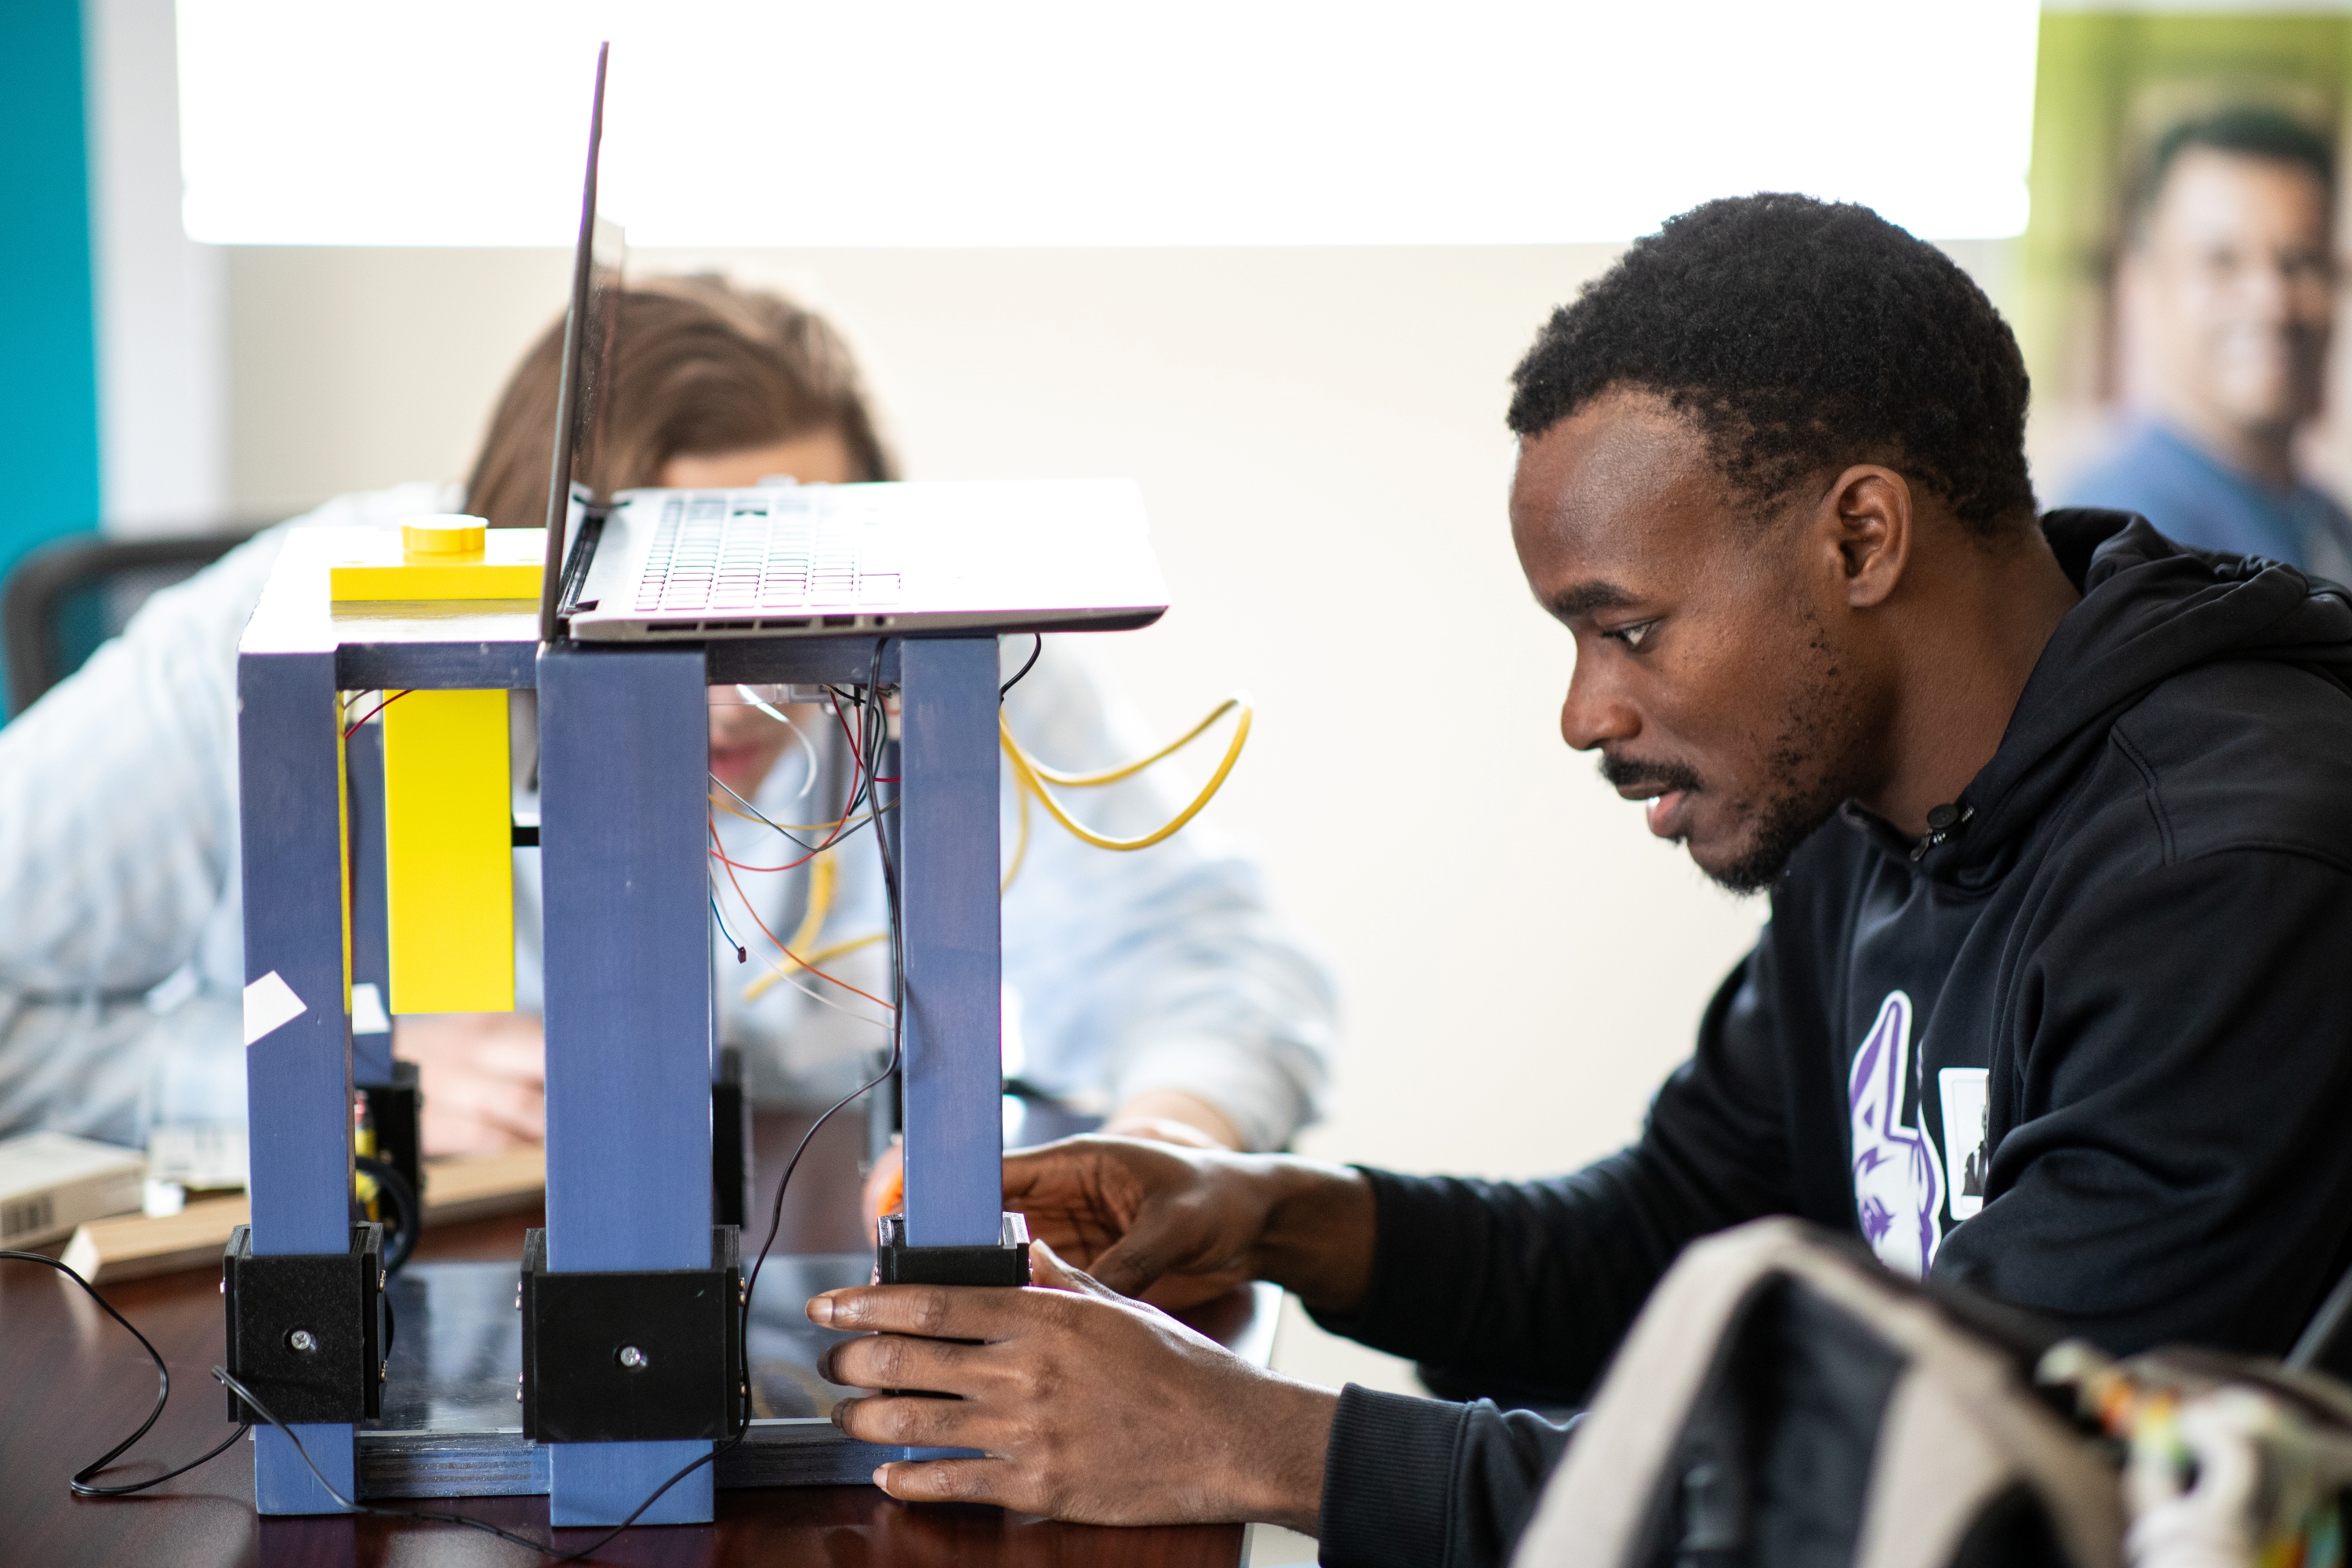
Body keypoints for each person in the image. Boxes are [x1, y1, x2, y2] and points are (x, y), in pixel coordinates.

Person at [801, 194, 2352, 1567]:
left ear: (1861, 536)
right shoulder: (1881, 814)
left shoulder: (2227, 879)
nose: (1586, 714)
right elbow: (1668, 1242)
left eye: (1628, 627)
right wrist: (1274, 1215)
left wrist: (1245, 1442)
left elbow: (1927, 1494)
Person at [0, 275, 1334, 1164]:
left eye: (792, 610)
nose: (749, 693)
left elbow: (1209, 965)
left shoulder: (941, 638)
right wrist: (331, 1072)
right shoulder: (286, 632)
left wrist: (1161, 1151)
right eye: (679, 626)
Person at [2063, 108, 2352, 578]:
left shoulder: (2328, 522)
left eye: (2301, 262)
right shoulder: (2117, 537)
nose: (2273, 303)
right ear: (2140, 285)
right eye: (2222, 262)